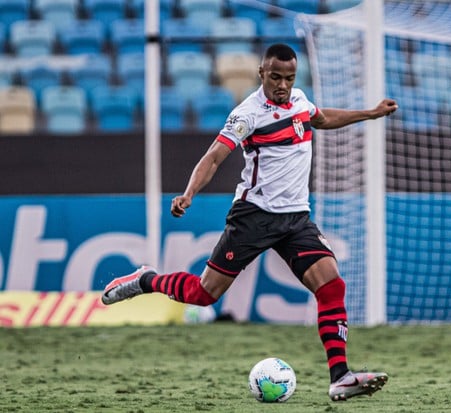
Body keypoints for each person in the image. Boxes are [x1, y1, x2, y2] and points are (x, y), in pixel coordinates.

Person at [102, 43, 398, 401]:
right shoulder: (247, 114)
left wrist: (369, 114)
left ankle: (340, 376)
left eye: (289, 78)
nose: (283, 85)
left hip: (295, 219)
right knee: (203, 294)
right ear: (261, 73)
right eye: (275, 77)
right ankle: (145, 280)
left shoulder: (301, 102)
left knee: (331, 285)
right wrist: (189, 193)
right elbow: (214, 157)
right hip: (253, 217)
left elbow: (322, 119)